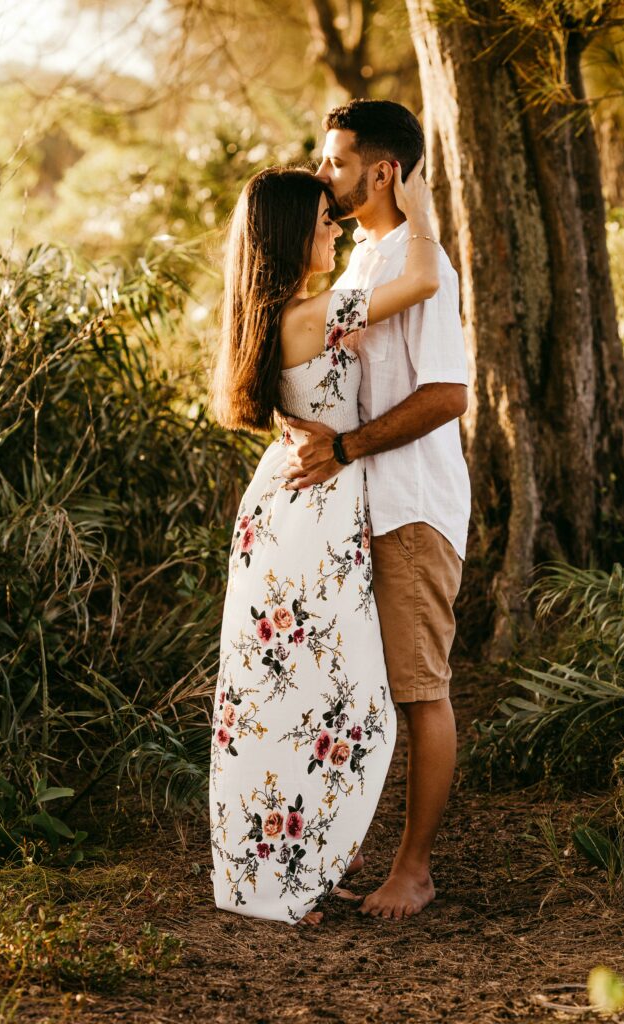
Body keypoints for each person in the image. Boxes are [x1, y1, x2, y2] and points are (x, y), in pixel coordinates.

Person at [209, 159, 440, 925]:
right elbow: (424, 284)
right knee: (330, 699)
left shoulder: (280, 314)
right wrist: (421, 211)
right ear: (288, 236)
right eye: (320, 221)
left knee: (294, 698)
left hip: (293, 508)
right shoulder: (313, 315)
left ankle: (291, 869)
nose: (333, 227)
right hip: (308, 520)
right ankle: (276, 884)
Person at [282, 99, 471, 921]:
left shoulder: (419, 262)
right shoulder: (362, 263)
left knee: (419, 690)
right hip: (356, 511)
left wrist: (348, 451)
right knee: (356, 693)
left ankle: (415, 869)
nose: (323, 175)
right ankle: (334, 851)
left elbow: (447, 395)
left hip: (411, 506)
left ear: (382, 170)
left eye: (334, 161)